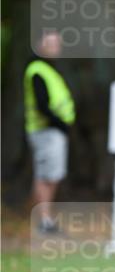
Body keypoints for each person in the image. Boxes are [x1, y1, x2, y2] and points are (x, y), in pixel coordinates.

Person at [23, 32, 76, 233]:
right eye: (51, 44)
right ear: (40, 46)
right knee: (46, 176)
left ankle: (44, 219)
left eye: (57, 44)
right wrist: (60, 124)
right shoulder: (38, 70)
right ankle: (44, 220)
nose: (56, 48)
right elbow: (42, 105)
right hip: (45, 131)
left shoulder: (48, 70)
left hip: (52, 132)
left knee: (51, 174)